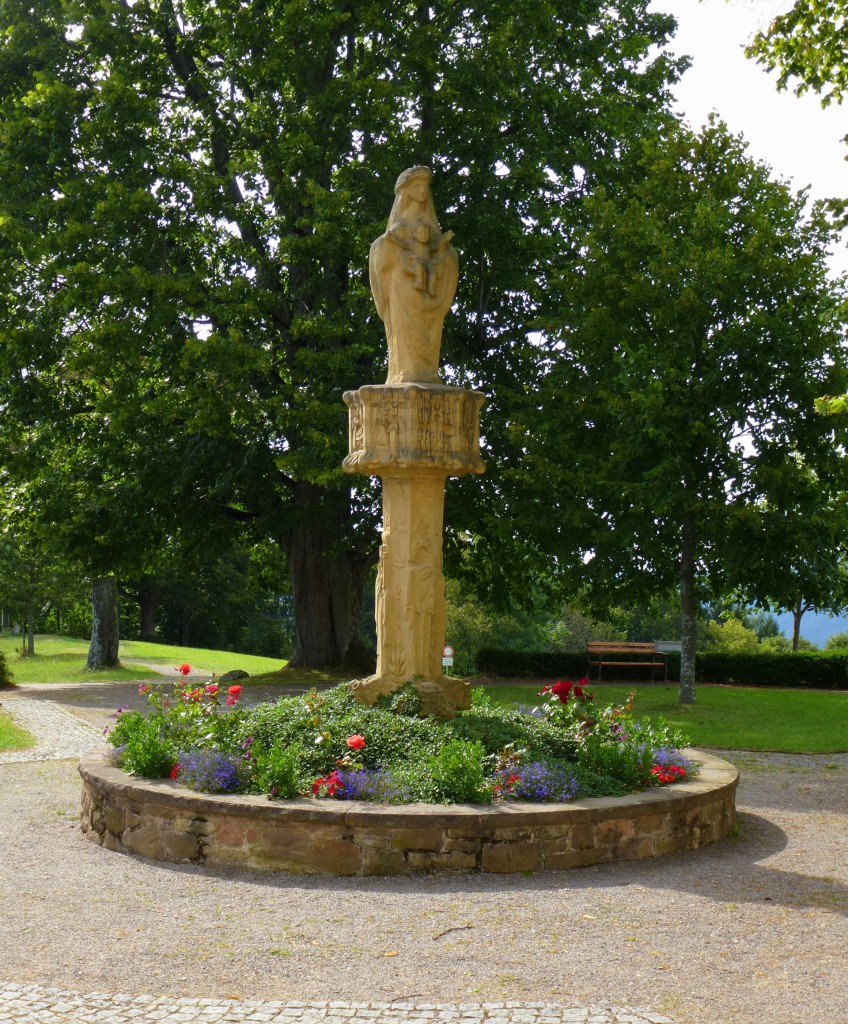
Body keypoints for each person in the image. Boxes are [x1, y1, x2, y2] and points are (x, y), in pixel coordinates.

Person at [369, 167, 458, 384]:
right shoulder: (398, 225)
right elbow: (381, 248)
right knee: (403, 326)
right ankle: (404, 370)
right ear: (406, 191)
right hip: (402, 284)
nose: (422, 191)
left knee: (429, 326)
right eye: (417, 186)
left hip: (428, 284)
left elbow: (442, 250)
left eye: (425, 187)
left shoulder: (429, 224)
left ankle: (427, 371)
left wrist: (445, 252)